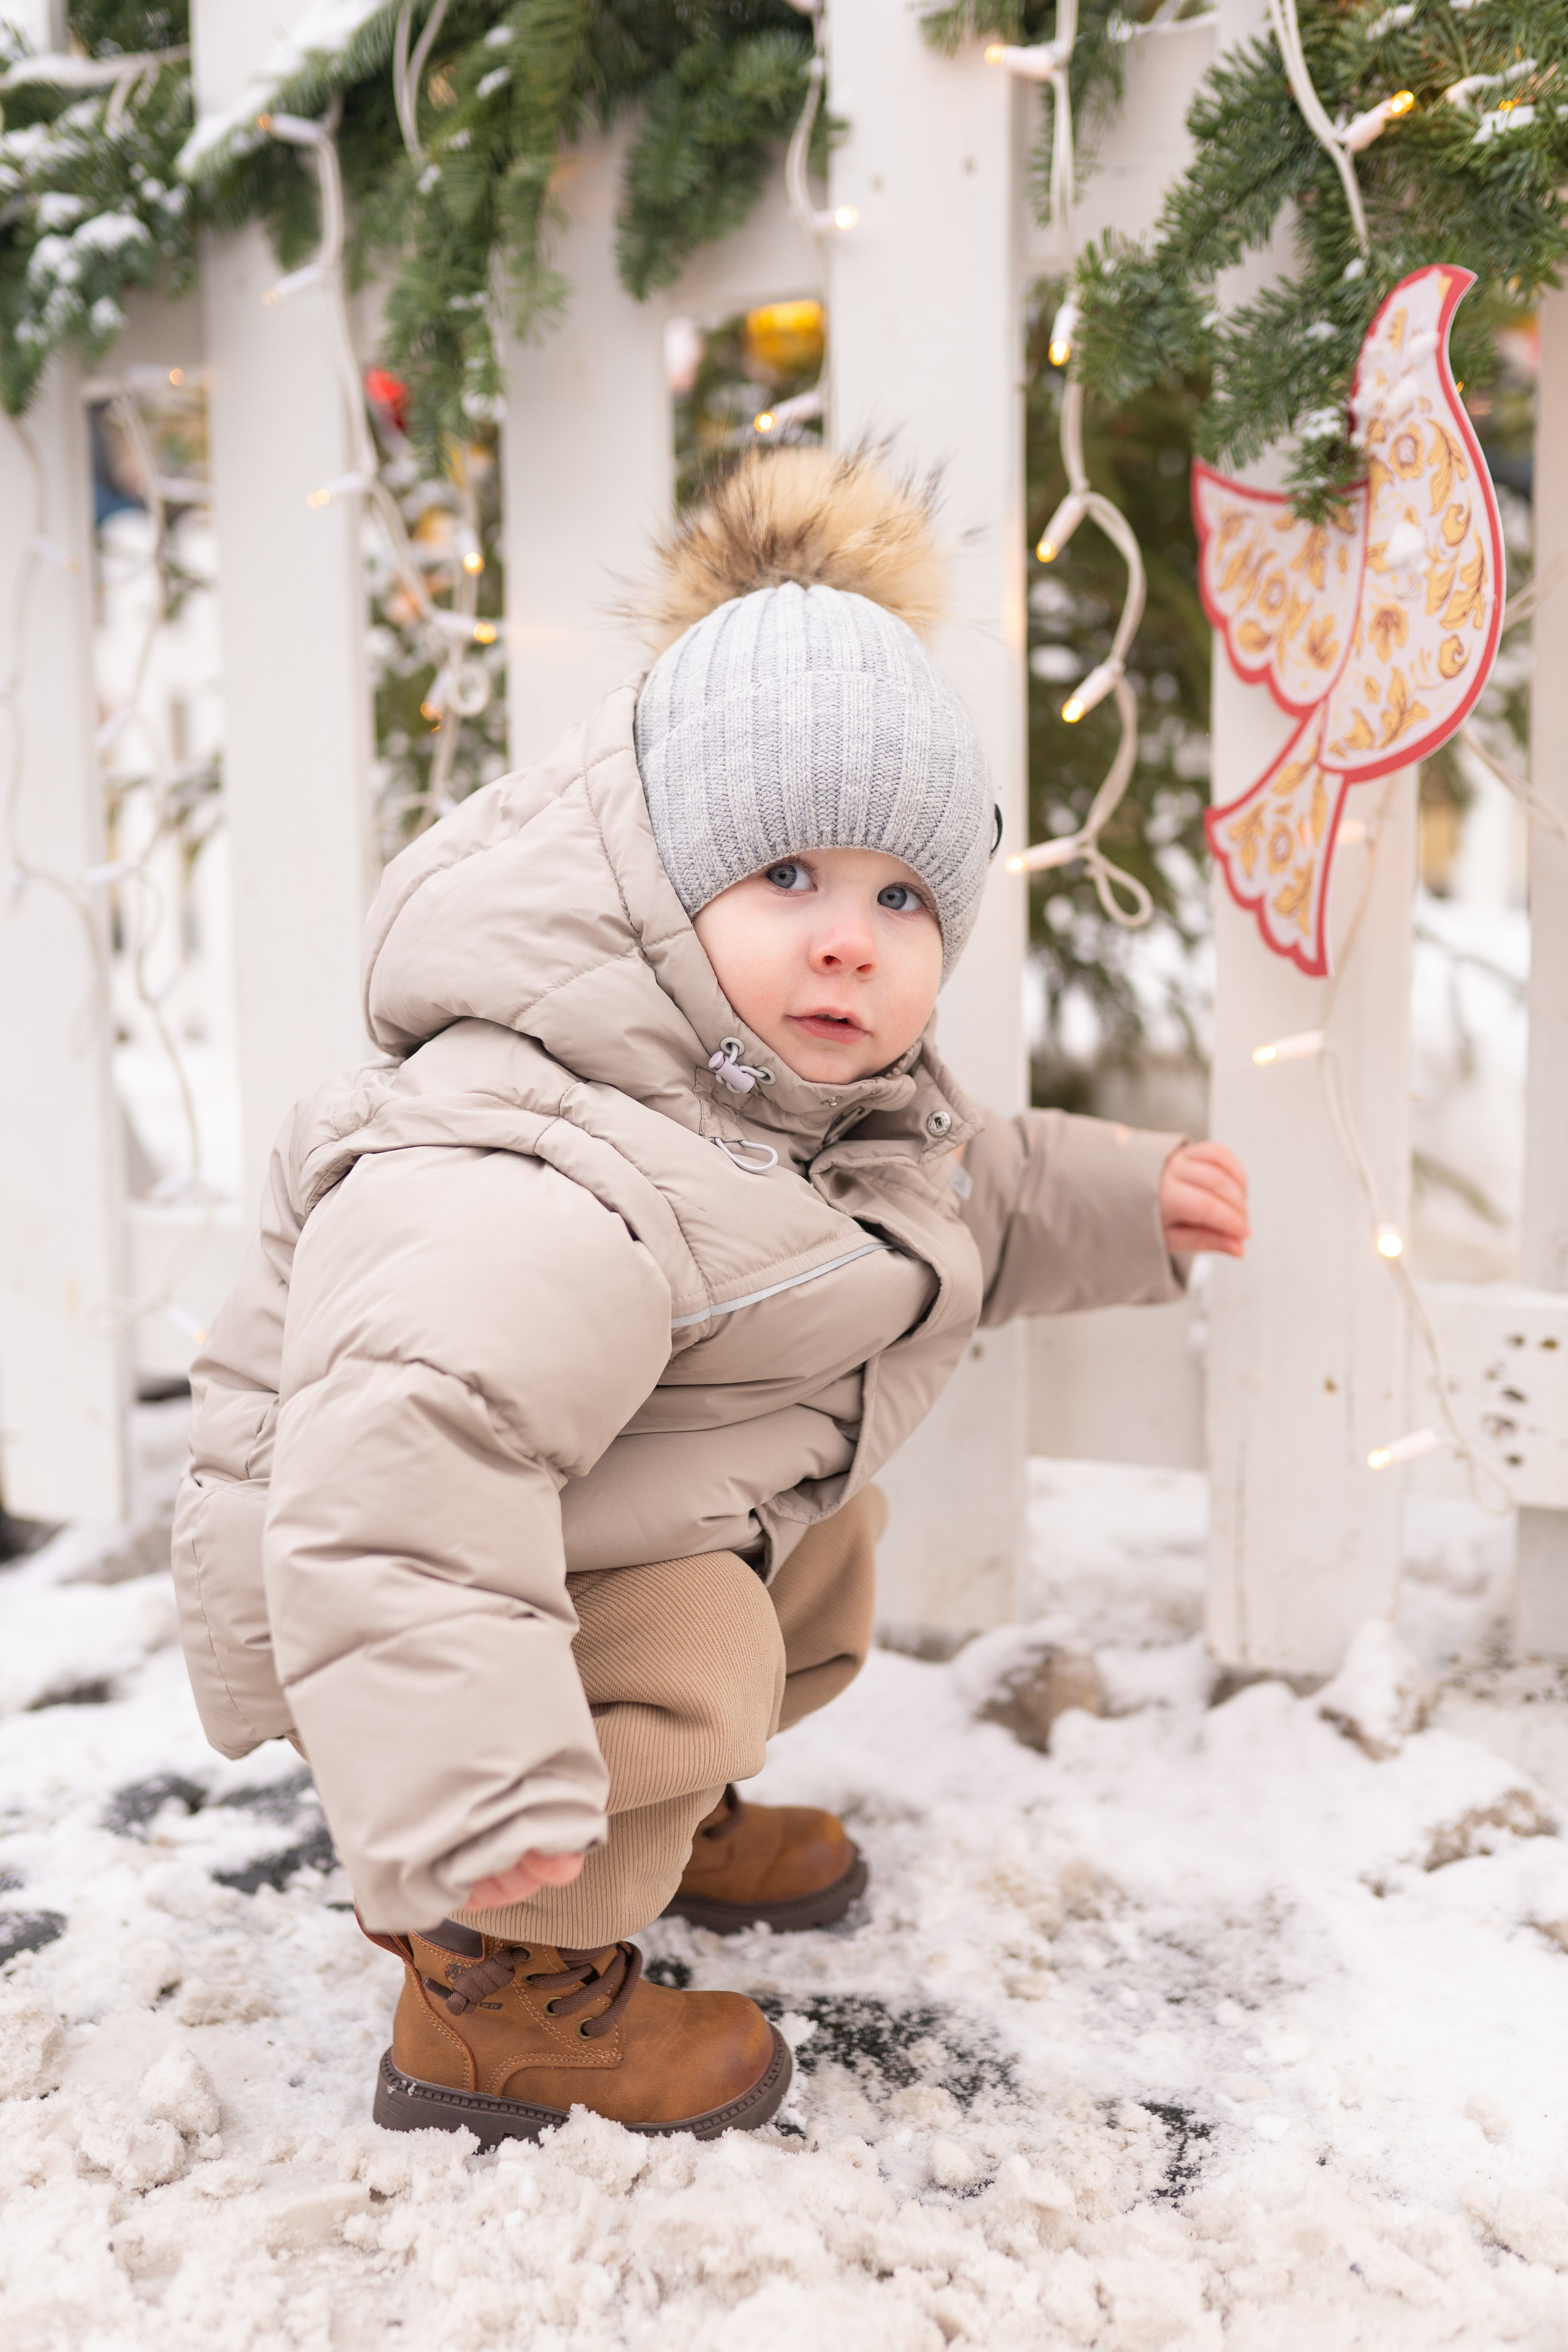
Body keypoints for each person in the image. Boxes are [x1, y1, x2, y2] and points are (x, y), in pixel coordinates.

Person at [172, 447, 1248, 2149]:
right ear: (665, 886)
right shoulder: (537, 1163)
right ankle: (497, 1985)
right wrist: (472, 1790)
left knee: (823, 1552)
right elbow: (399, 1481)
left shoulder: (799, 1092)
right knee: (696, 1633)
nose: (851, 942)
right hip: (426, 1603)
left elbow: (969, 1188)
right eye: (788, 880)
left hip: (576, 1531)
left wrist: (1132, 1202)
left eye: (903, 898)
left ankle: (654, 1813)